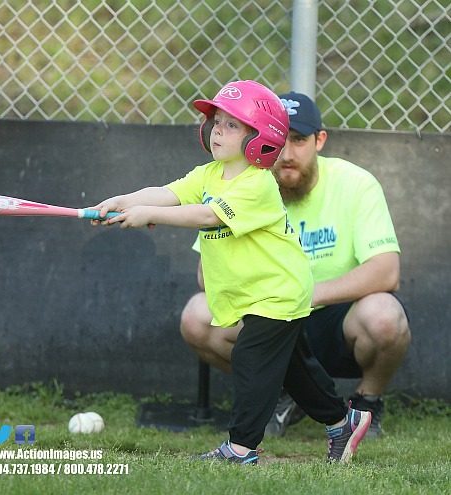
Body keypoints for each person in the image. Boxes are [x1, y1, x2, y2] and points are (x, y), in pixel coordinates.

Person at [91, 81, 371, 464]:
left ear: (261, 136)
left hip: (277, 291)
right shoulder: (210, 174)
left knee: (251, 360)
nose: (218, 129)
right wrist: (126, 200)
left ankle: (240, 448)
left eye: (232, 124)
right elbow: (169, 193)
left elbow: (207, 214)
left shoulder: (256, 184)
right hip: (254, 294)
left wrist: (150, 216)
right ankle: (344, 421)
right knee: (293, 371)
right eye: (217, 121)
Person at [180, 91, 411, 439]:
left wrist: (307, 295)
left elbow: (387, 270)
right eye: (278, 140)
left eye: (299, 140)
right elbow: (204, 274)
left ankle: (366, 404)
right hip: (266, 314)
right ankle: (282, 395)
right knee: (196, 316)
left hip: (335, 315)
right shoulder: (243, 180)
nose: (286, 154)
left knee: (385, 315)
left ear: (320, 140)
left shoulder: (355, 182)